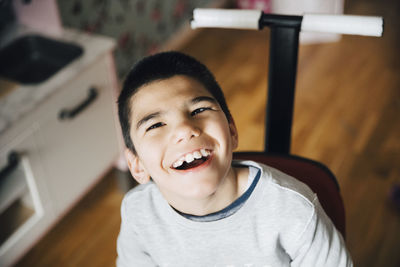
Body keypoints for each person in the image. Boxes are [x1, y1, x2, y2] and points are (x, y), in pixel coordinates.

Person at [116, 51, 353, 266]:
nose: (184, 129)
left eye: (198, 110)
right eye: (156, 124)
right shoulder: (137, 212)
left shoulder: (294, 212)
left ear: (231, 131)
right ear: (136, 165)